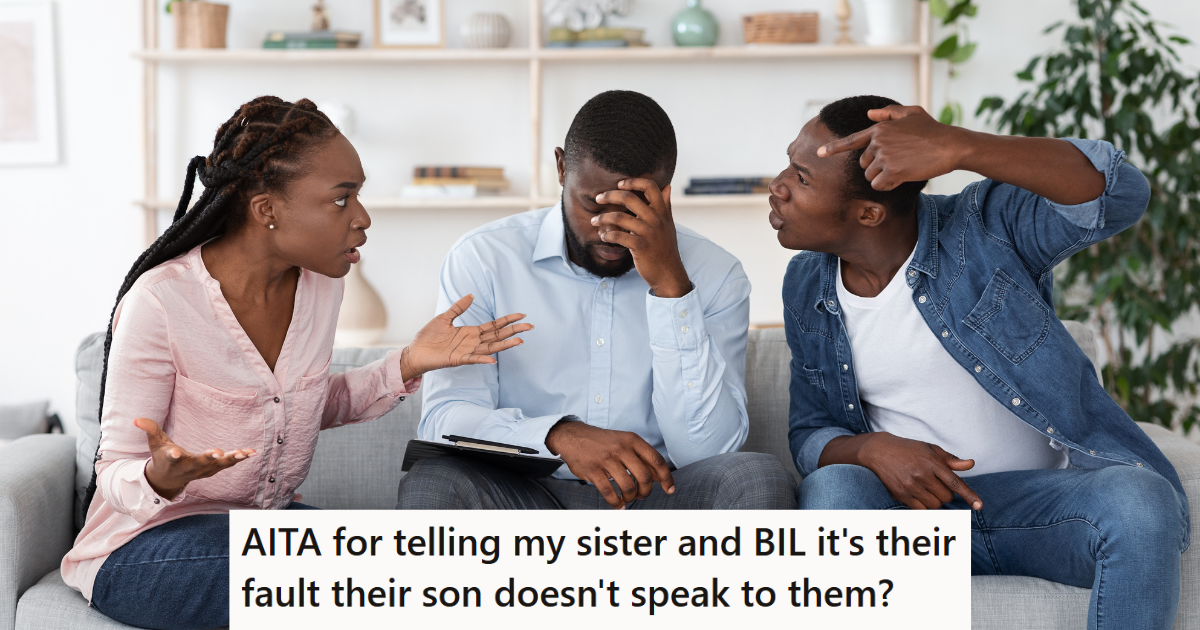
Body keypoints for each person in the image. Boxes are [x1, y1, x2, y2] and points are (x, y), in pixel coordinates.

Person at [62, 96, 532, 630]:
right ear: (267, 210)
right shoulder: (162, 301)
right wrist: (159, 476)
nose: (363, 218)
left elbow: (306, 403)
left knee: (419, 564)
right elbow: (115, 467)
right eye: (341, 199)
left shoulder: (320, 286)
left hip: (262, 527)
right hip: (143, 547)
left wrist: (407, 362)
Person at [773, 95, 1188, 629]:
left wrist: (958, 145)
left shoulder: (984, 228)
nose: (778, 184)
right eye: (790, 163)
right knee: (834, 491)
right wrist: (870, 448)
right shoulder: (806, 284)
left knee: (1141, 501)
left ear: (869, 213)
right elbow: (810, 429)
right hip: (916, 524)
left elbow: (1119, 194)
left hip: (1047, 514)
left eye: (802, 179)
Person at [396, 90, 797, 511]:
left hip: (660, 497)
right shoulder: (485, 258)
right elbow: (446, 421)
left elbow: (710, 451)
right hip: (523, 493)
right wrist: (559, 435)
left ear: (666, 192)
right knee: (435, 479)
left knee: (757, 476)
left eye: (634, 208)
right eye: (593, 205)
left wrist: (671, 289)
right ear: (561, 167)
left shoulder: (716, 273)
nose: (610, 230)